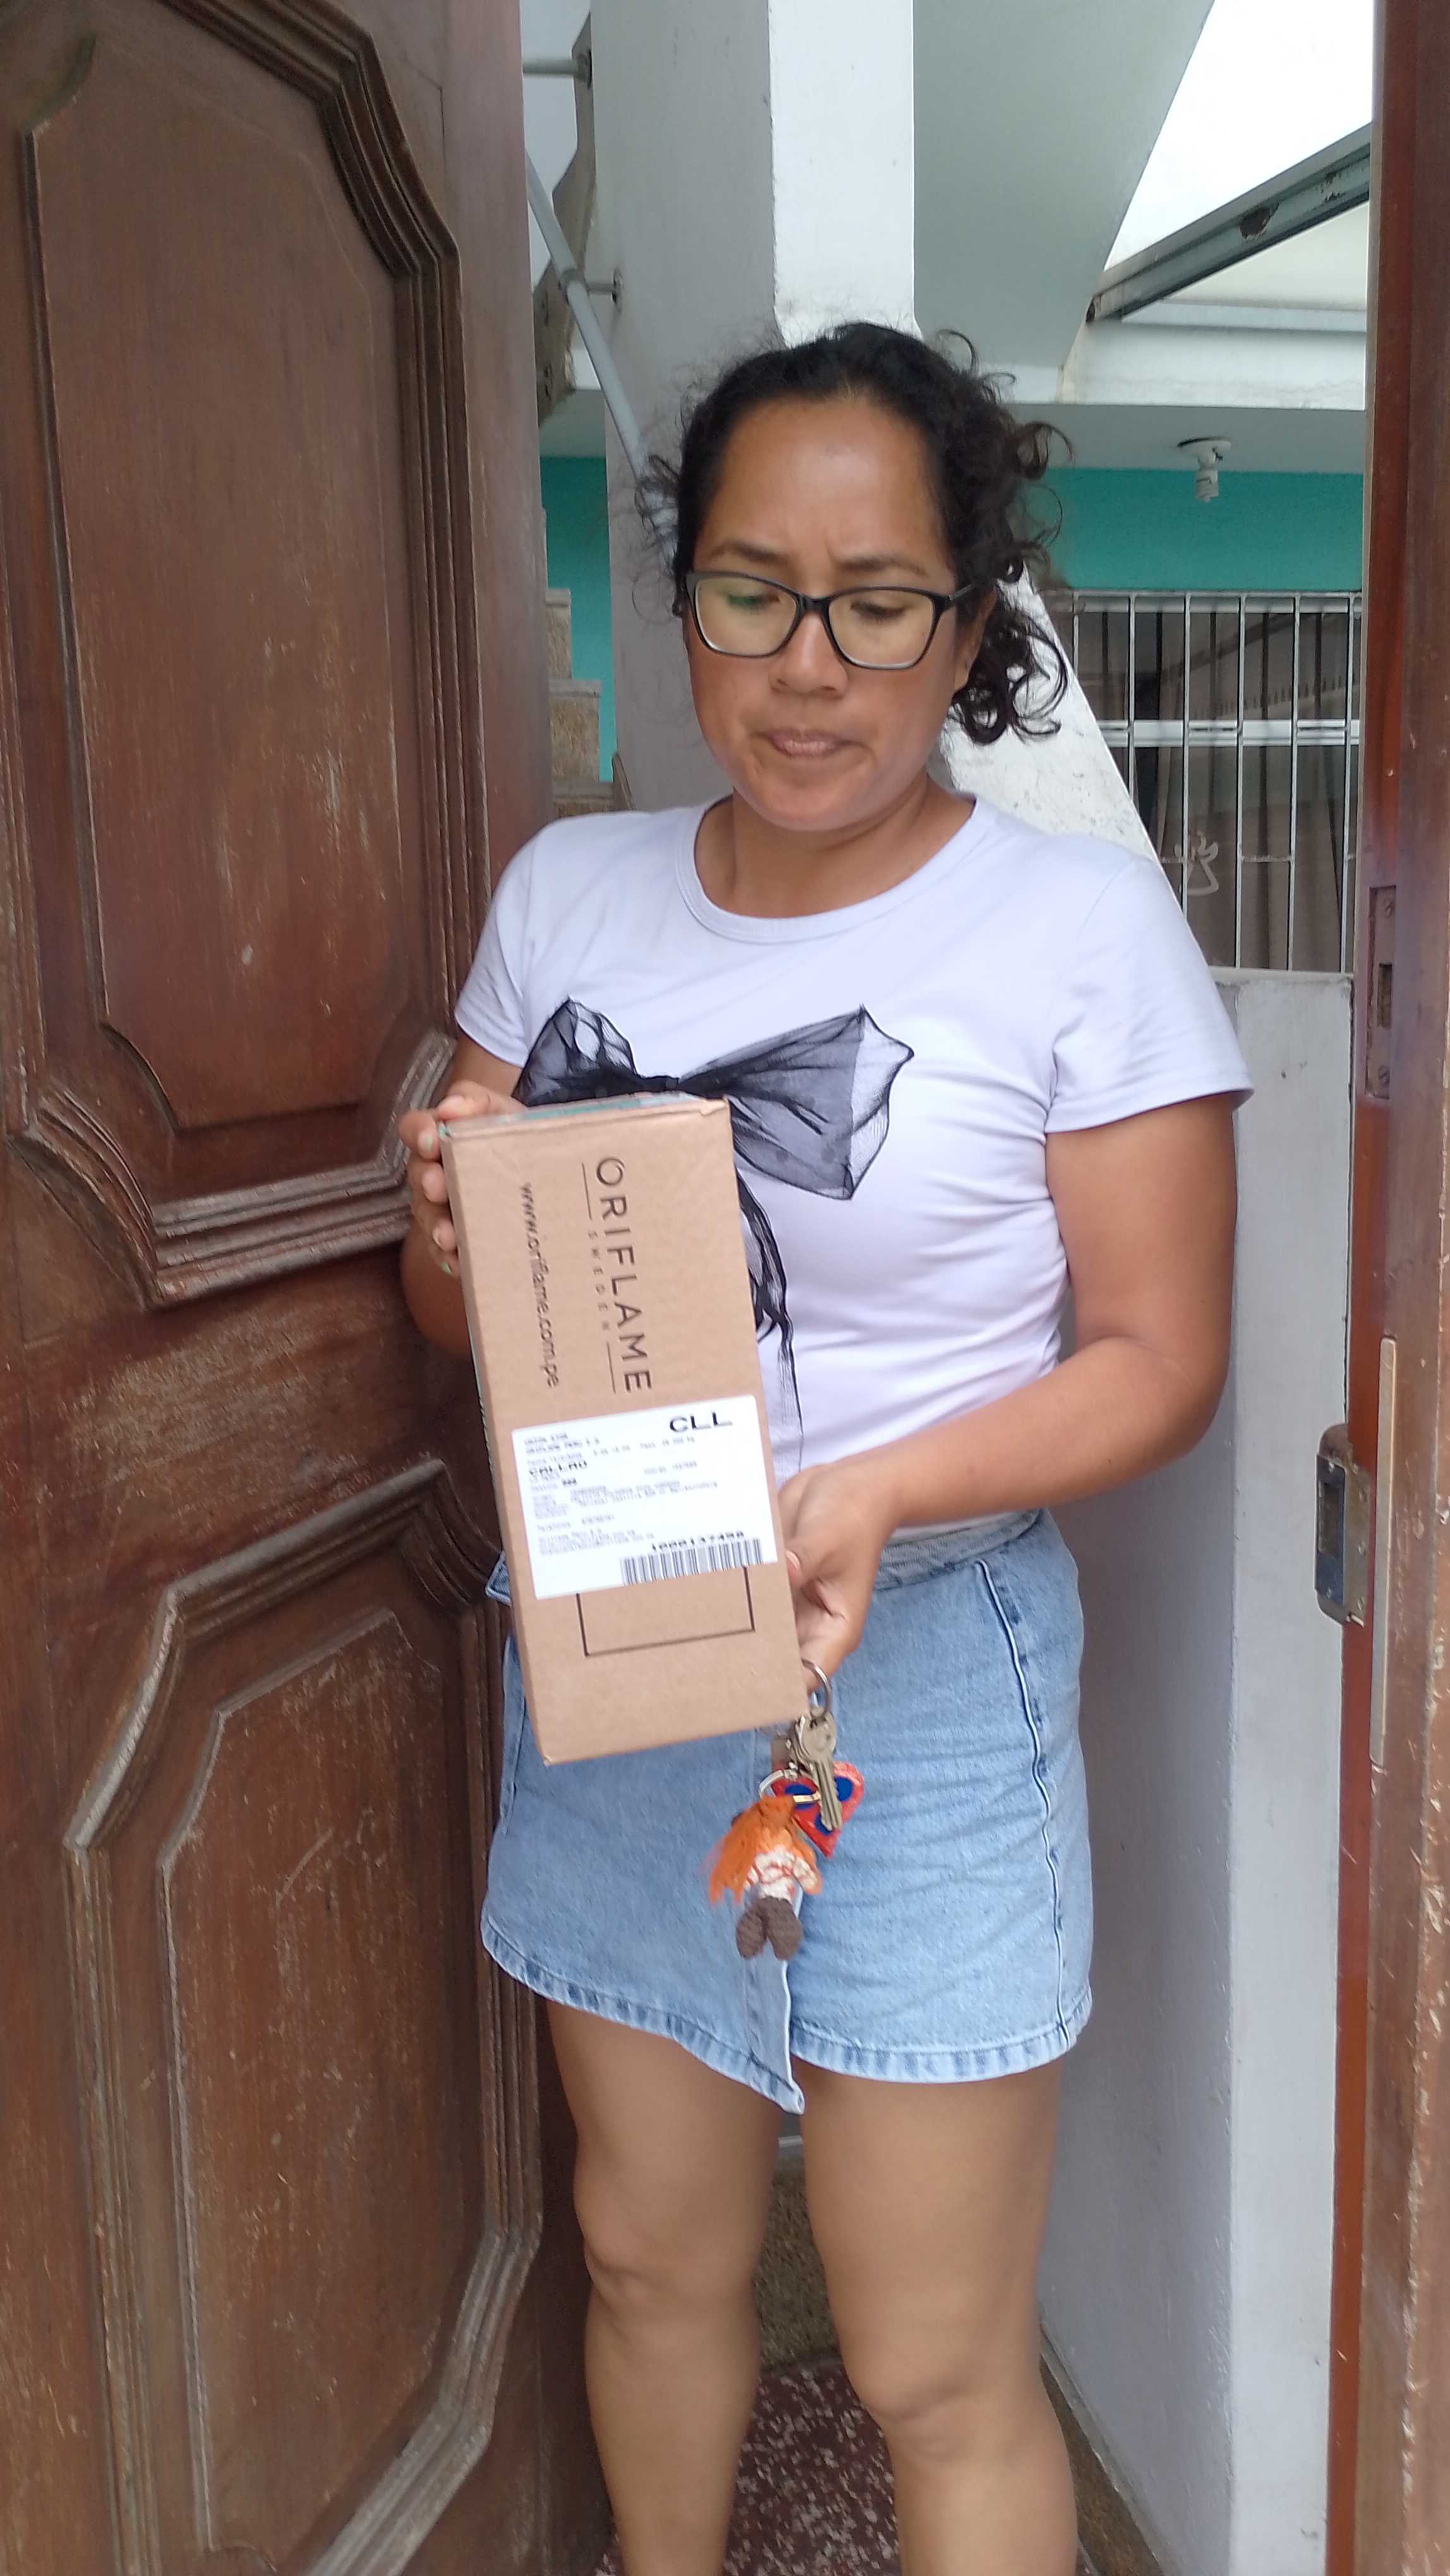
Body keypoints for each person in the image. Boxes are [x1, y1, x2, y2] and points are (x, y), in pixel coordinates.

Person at [398, 323, 1247, 2576]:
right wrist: (450, 1232)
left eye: (879, 604)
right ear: (684, 599)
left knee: (932, 2362)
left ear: (969, 630)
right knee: (652, 2255)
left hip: (927, 1673)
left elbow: (1162, 1357)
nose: (808, 663)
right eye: (753, 591)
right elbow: (459, 1312)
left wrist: (883, 1487)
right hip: (627, 1641)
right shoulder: (567, 894)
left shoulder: (1073, 929)